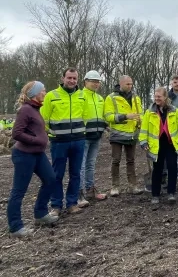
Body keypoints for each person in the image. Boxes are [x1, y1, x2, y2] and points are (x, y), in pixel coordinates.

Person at [7, 81, 59, 237]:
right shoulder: (25, 110)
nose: (45, 92)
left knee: (50, 179)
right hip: (24, 155)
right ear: (35, 94)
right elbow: (16, 134)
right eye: (43, 90)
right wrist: (37, 140)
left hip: (38, 154)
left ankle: (41, 214)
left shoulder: (36, 109)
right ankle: (15, 226)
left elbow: (35, 129)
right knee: (19, 191)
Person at [41, 67, 86, 216]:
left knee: (75, 174)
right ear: (63, 78)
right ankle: (56, 205)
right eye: (69, 78)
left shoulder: (82, 96)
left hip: (78, 141)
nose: (72, 81)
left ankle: (72, 203)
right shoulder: (51, 96)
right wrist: (50, 134)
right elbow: (43, 119)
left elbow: (85, 116)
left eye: (74, 78)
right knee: (57, 174)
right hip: (59, 142)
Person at [139, 87, 178, 206]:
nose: (156, 99)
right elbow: (144, 129)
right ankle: (155, 194)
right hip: (156, 145)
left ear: (165, 97)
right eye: (155, 97)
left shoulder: (174, 111)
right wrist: (143, 142)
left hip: (171, 144)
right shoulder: (149, 112)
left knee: (172, 167)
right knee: (157, 169)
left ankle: (171, 193)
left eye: (159, 96)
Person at [104, 75, 143, 196]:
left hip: (132, 134)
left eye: (131, 84)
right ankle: (115, 186)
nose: (130, 86)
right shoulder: (111, 98)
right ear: (120, 84)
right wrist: (125, 116)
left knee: (131, 160)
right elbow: (108, 116)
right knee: (116, 160)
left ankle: (133, 185)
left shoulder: (136, 97)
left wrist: (140, 120)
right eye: (128, 84)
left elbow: (140, 113)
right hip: (117, 135)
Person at [77, 70, 108, 208]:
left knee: (91, 164)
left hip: (96, 136)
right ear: (85, 82)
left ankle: (90, 189)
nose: (96, 84)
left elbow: (104, 116)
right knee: (81, 165)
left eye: (97, 82)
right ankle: (79, 193)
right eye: (93, 81)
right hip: (83, 136)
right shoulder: (80, 96)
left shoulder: (100, 98)